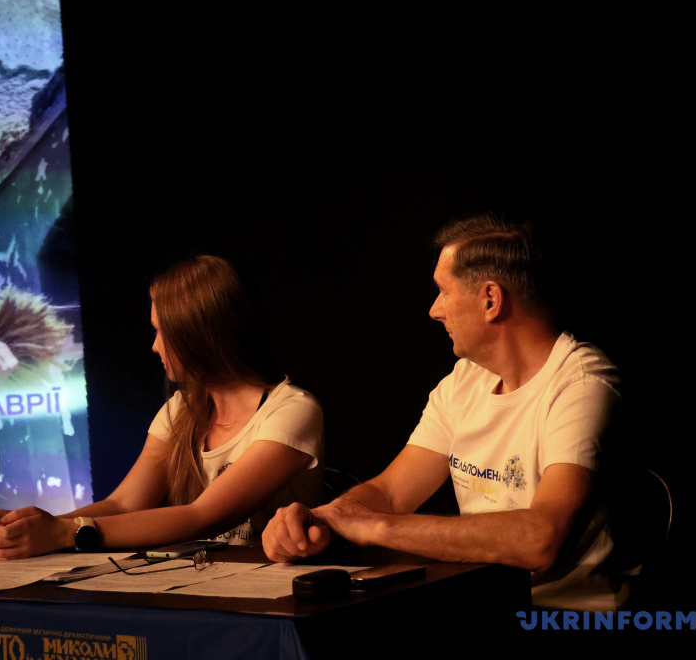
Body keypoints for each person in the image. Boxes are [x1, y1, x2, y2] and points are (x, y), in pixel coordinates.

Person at [262, 214, 623, 611]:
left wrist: (374, 525)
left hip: (566, 619)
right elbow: (390, 493)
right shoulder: (464, 380)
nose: (435, 310)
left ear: (490, 300)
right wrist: (319, 519)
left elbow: (543, 539)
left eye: (444, 291)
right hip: (482, 607)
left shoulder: (582, 384)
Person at [0, 255, 323, 558]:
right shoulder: (181, 409)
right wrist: (32, 527)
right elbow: (124, 504)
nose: (155, 346)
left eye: (161, 331)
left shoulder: (292, 411)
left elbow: (202, 516)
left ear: (198, 334)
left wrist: (63, 533)